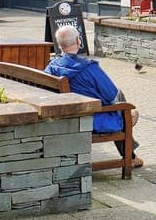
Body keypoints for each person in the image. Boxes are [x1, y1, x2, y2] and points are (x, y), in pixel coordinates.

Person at [45, 25, 141, 164]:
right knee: (120, 100)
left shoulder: (51, 66)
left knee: (118, 101)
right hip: (90, 119)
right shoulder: (89, 67)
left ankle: (128, 125)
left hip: (64, 117)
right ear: (78, 41)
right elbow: (111, 93)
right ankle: (129, 151)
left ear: (59, 44)